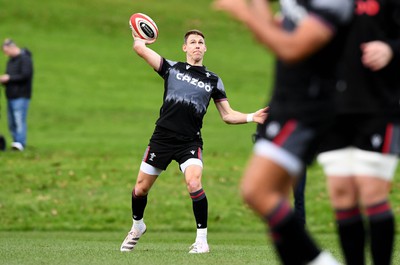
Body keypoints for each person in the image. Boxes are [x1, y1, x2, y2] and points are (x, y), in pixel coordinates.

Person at [213, 0, 353, 264]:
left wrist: (243, 13)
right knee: (268, 199)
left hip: (309, 107)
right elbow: (270, 33)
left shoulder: (333, 3)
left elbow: (291, 49)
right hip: (284, 104)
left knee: (258, 191)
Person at [120, 29, 269, 254]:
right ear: (185, 48)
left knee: (194, 182)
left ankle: (202, 241)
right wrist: (141, 36)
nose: (197, 45)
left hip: (189, 142)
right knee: (140, 189)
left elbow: (227, 115)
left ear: (205, 48)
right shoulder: (171, 68)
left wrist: (251, 117)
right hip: (162, 138)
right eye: (193, 42)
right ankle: (137, 226)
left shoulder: (213, 80)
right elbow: (139, 49)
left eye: (201, 42)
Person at [316, 1, 400, 264]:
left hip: (378, 106)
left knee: (372, 191)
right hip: (331, 108)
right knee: (341, 192)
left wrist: (391, 49)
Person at [0, 38, 33, 151]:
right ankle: (16, 142)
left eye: (6, 51)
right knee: (12, 121)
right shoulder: (11, 61)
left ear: (12, 47)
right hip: (10, 95)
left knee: (19, 120)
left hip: (21, 95)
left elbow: (25, 75)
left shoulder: (25, 59)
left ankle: (20, 143)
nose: (6, 54)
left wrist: (9, 78)